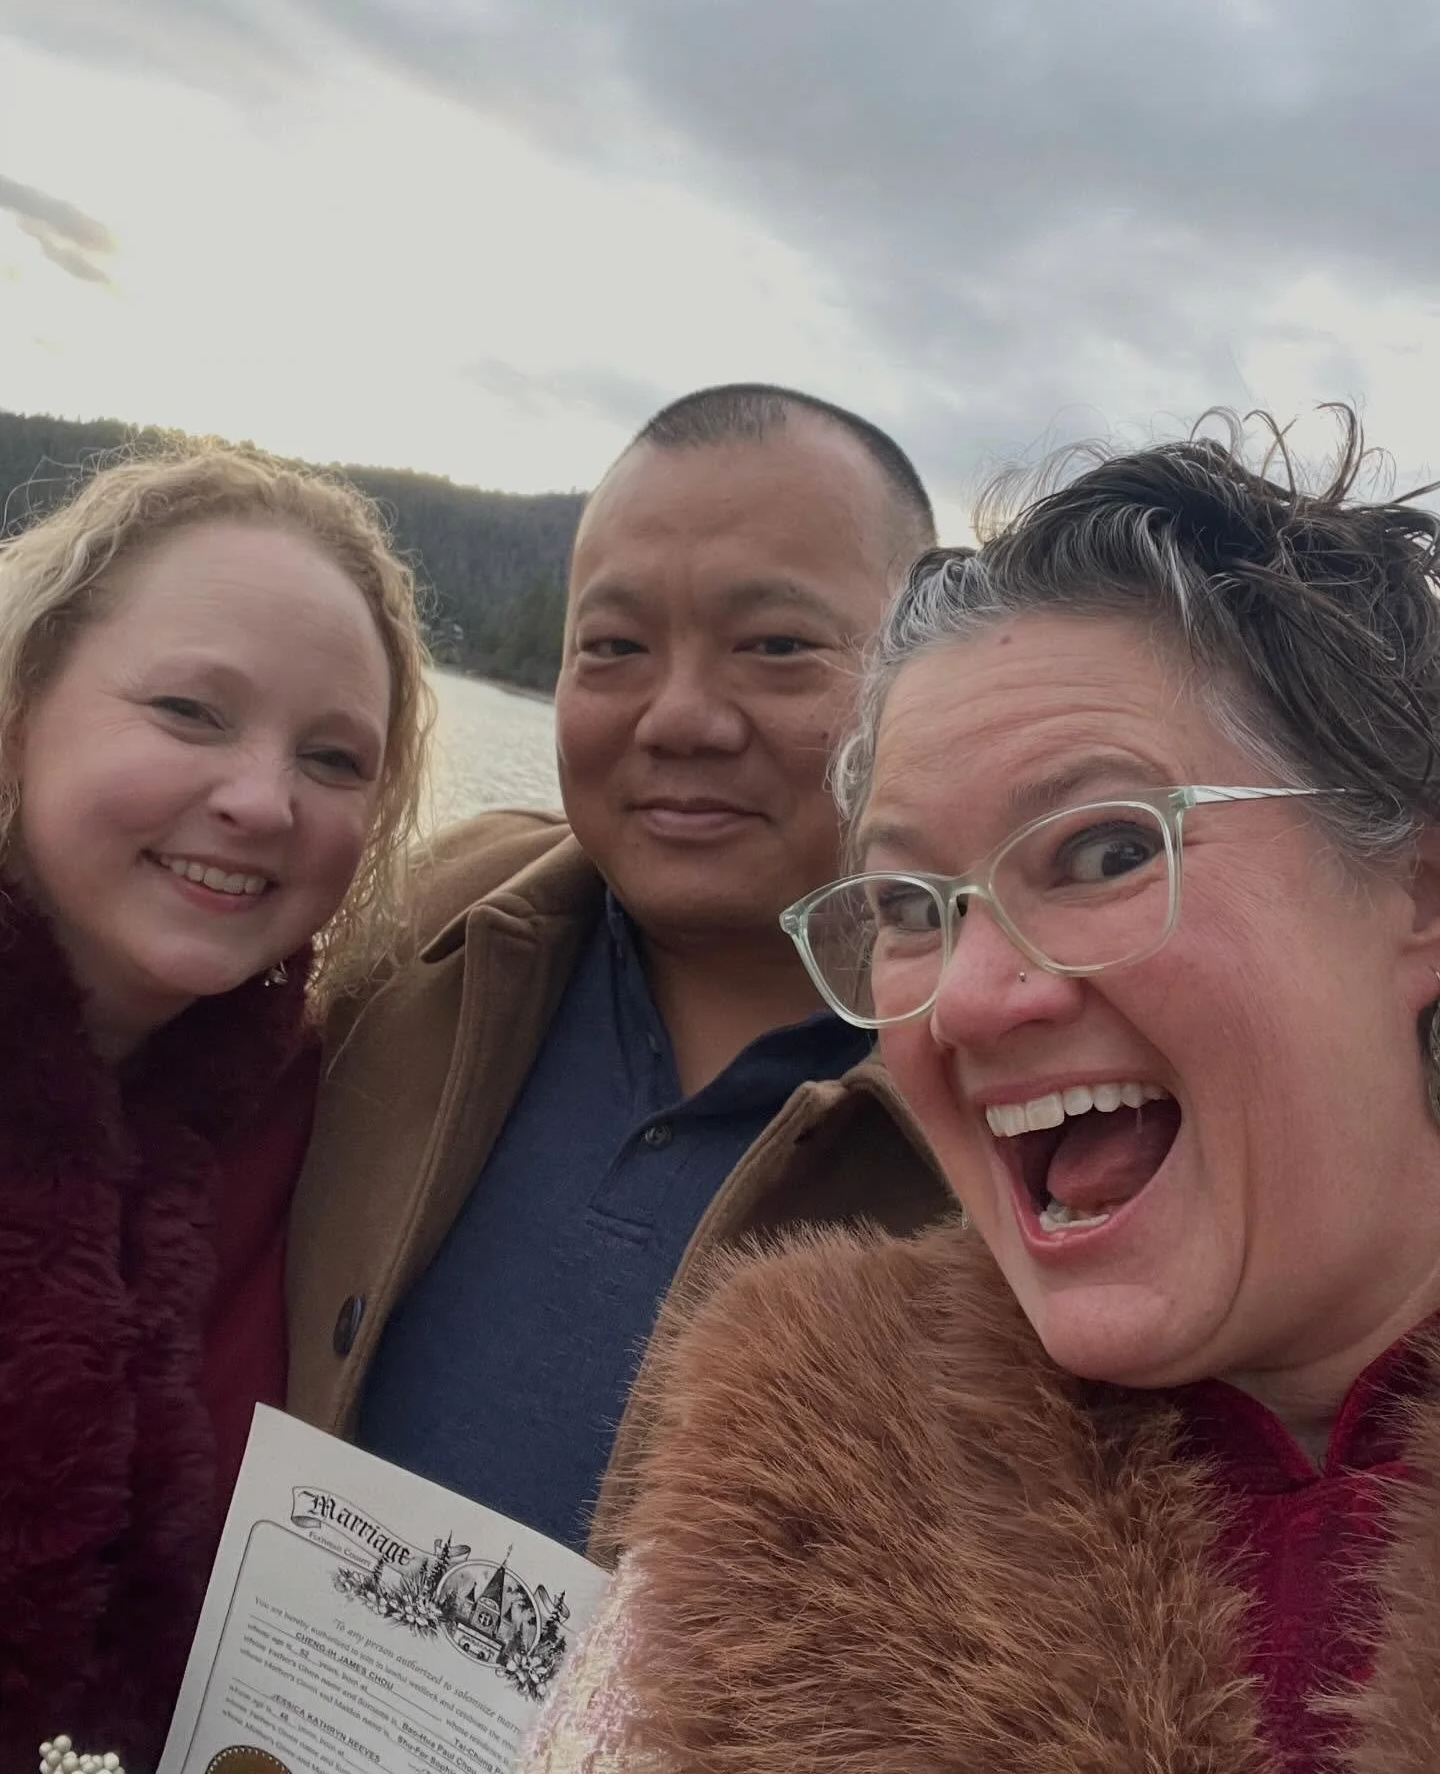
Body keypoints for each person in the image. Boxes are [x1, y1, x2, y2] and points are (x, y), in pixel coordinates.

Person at [524, 411, 1440, 1774]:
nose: (963, 996)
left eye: (1103, 849)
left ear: (1414, 892)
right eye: (908, 903)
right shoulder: (794, 1494)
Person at [290, 383, 955, 1557]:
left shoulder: (1011, 1099)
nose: (680, 717)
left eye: (776, 646)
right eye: (614, 648)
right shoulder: (415, 930)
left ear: (923, 676)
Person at [0, 448, 433, 1770]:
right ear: (23, 708)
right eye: (191, 710)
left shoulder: (318, 1118)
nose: (261, 800)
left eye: (332, 756)